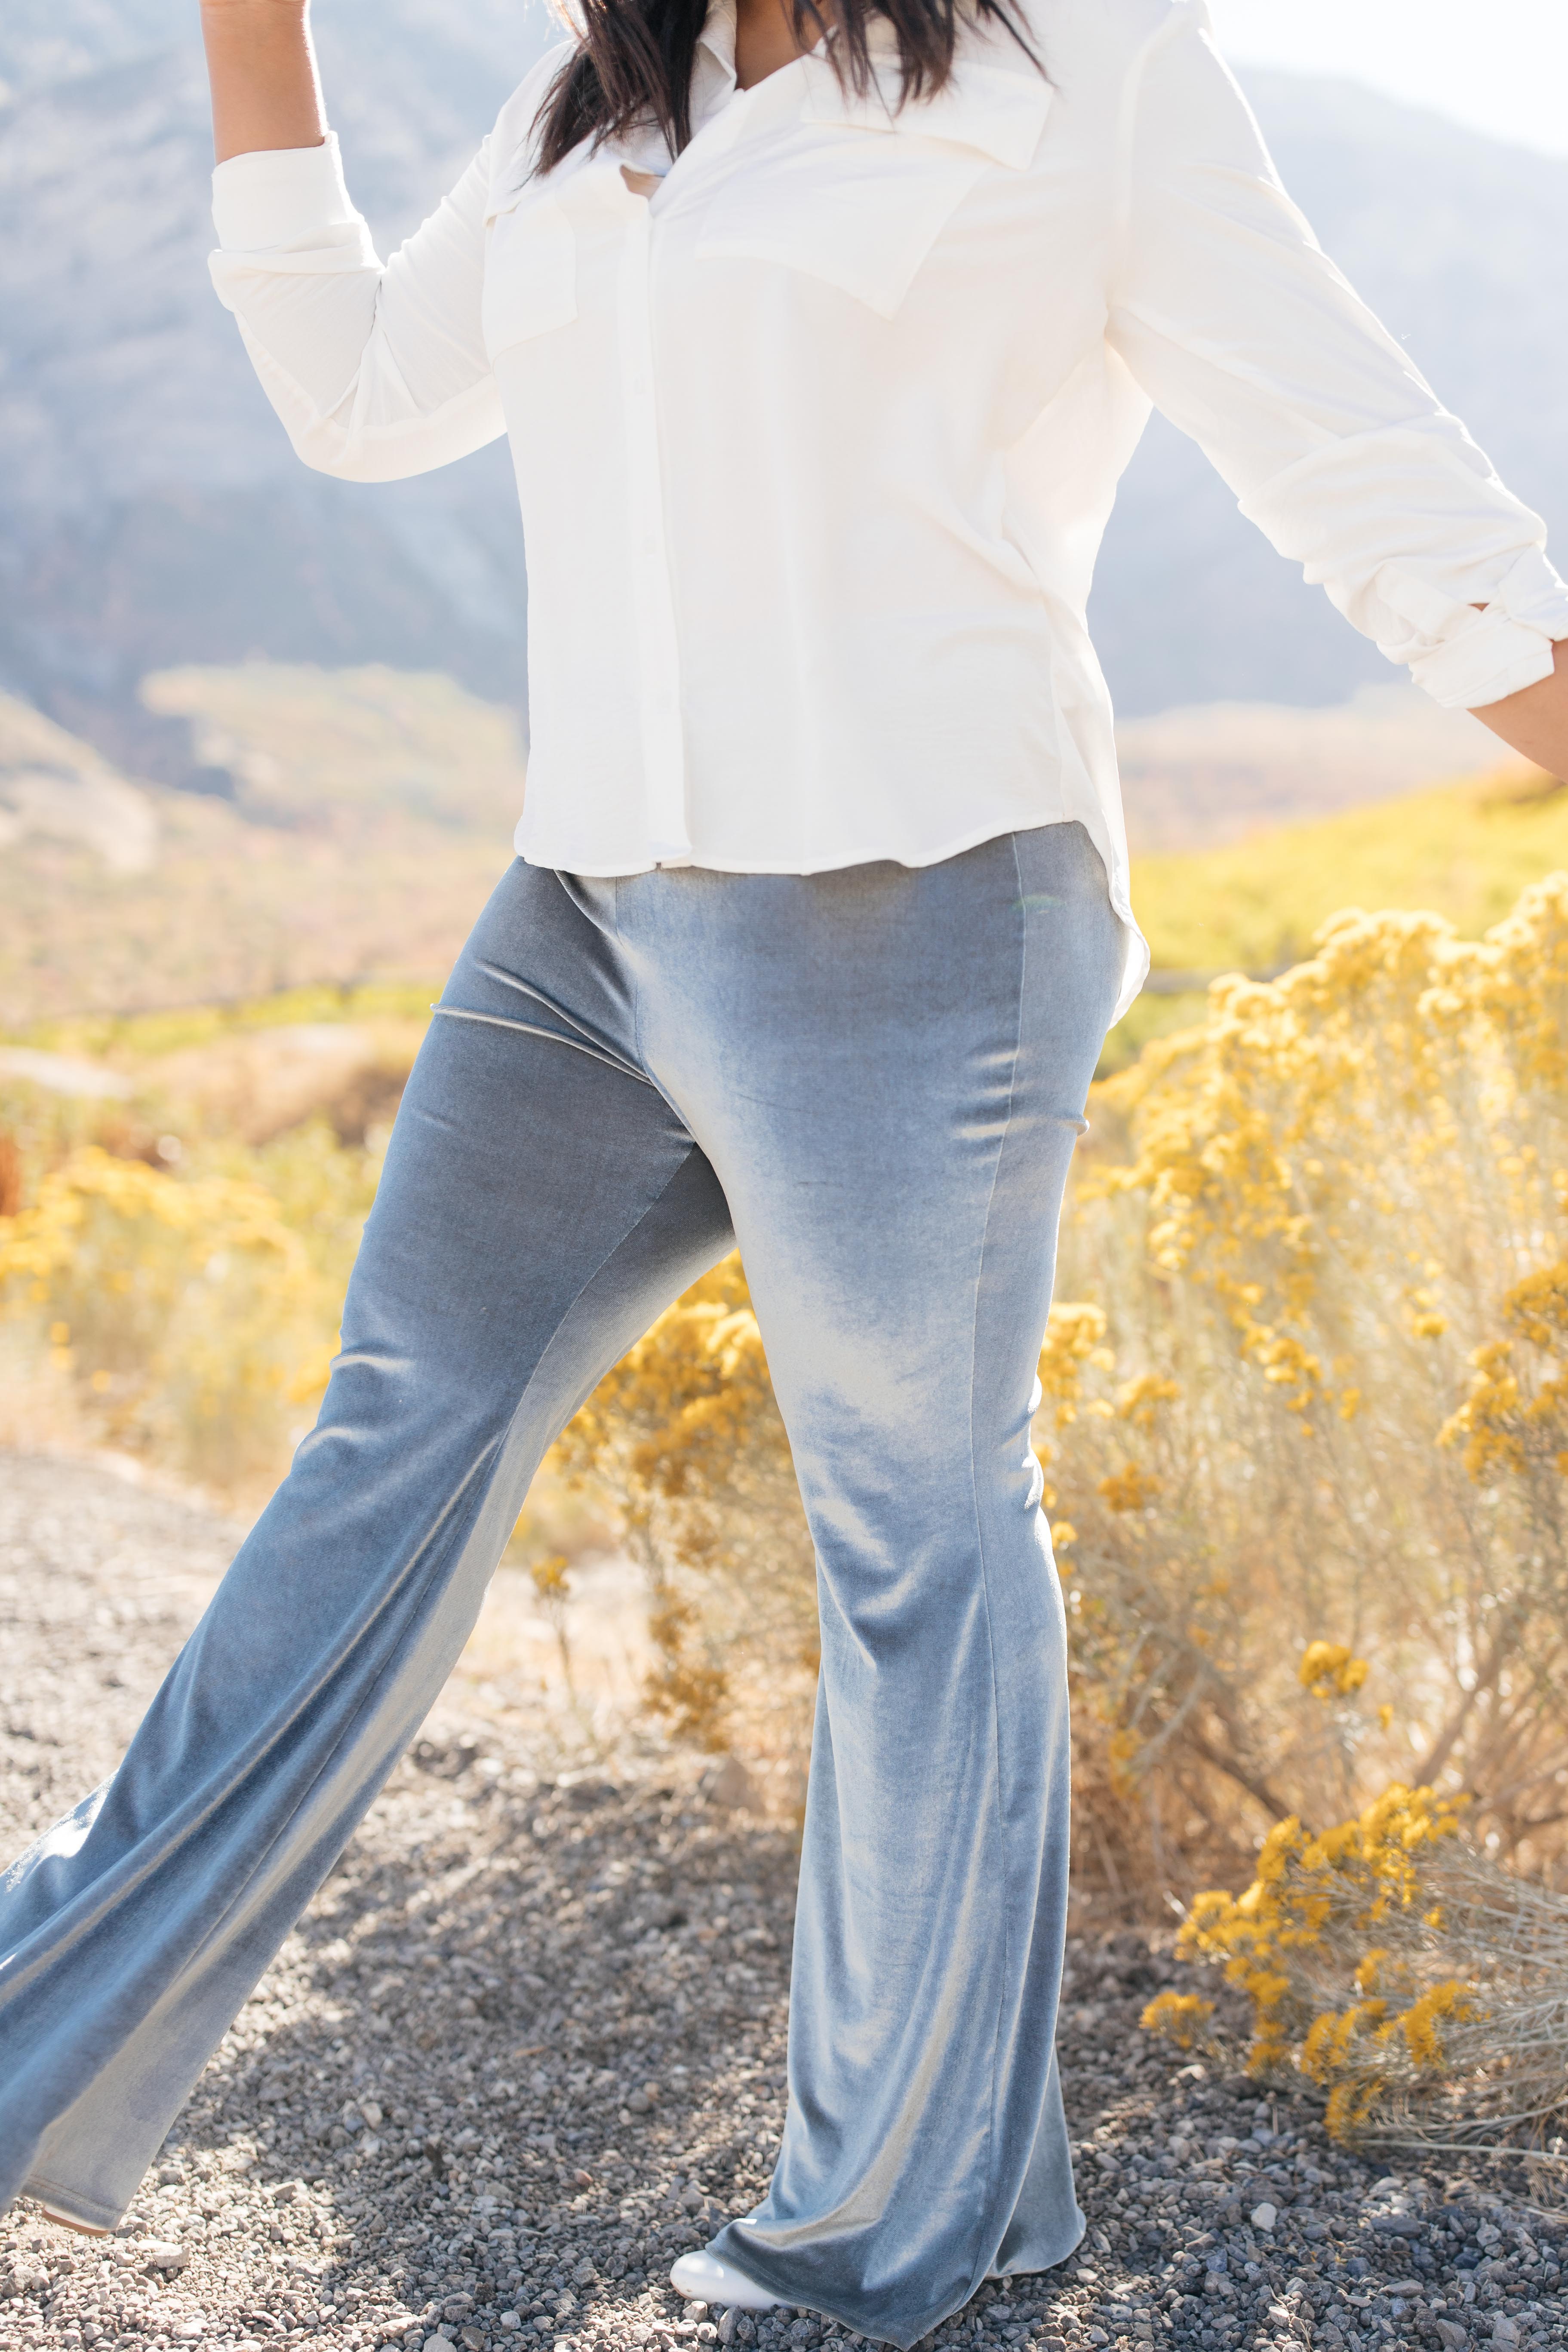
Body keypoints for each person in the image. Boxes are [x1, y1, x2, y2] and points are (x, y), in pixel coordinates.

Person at [4, 0, 1568, 2337]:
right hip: (582, 914)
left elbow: (1361, 452)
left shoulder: (1088, 67)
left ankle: (891, 2240)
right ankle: (43, 2029)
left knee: (915, 1548)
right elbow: (357, 399)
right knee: (394, 1427)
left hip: (912, 913)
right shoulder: (587, 89)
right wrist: (258, 34)